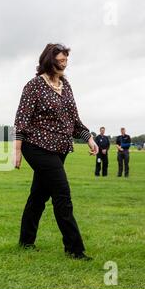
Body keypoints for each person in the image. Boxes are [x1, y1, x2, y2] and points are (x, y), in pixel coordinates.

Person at [14, 43, 98, 261]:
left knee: (39, 195)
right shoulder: (34, 85)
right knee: (62, 194)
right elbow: (21, 121)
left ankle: (25, 241)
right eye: (59, 61)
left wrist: (89, 139)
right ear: (48, 61)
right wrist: (17, 151)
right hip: (37, 147)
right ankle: (74, 249)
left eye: (65, 61)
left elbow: (74, 120)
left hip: (60, 148)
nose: (63, 65)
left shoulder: (65, 85)